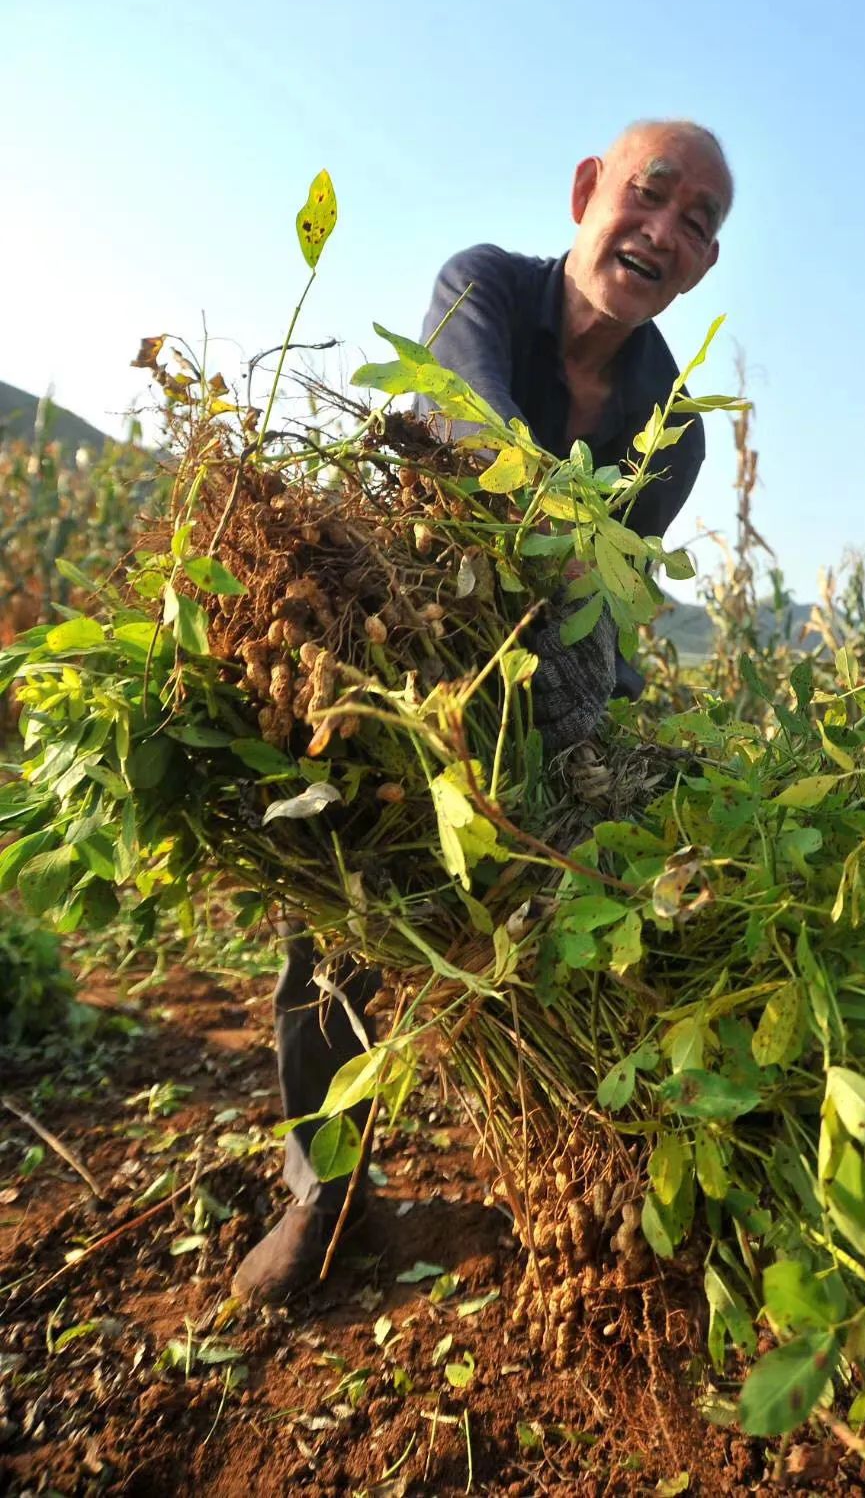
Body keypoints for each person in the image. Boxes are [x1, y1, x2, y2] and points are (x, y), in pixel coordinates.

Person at [232, 119, 735, 1303]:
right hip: (405, 641)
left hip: (552, 677)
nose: (665, 231)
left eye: (699, 223)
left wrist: (598, 742)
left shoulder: (675, 424)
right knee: (345, 895)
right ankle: (324, 1195)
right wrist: (556, 553)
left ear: (707, 266)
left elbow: (611, 592)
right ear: (586, 191)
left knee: (609, 897)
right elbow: (467, 432)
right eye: (651, 196)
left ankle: (612, 1197)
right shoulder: (484, 288)